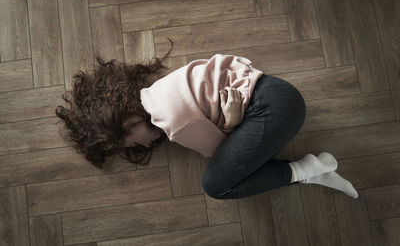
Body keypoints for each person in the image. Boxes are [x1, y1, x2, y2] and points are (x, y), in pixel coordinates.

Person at [55, 38, 358, 200]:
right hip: (275, 94)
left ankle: (307, 170)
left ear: (124, 123)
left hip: (275, 108)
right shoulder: (159, 91)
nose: (142, 147)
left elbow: (224, 153)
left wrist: (231, 123)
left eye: (127, 142)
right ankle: (311, 171)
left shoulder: (171, 120)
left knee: (217, 186)